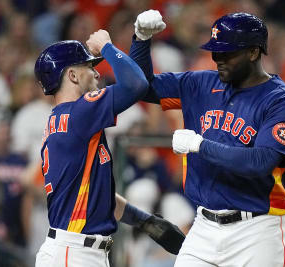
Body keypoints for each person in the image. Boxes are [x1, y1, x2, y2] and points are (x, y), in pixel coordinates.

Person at [130, 10, 285, 267]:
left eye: (227, 53)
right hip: (204, 226)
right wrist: (141, 39)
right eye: (215, 51)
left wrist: (200, 145)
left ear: (254, 52)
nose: (218, 58)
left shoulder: (280, 101)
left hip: (258, 230)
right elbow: (143, 87)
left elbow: (261, 161)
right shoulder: (201, 84)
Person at [34, 30, 185, 267]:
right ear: (72, 75)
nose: (96, 72)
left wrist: (143, 221)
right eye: (89, 66)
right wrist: (106, 46)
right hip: (73, 253)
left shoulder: (67, 119)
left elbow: (96, 196)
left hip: (75, 251)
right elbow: (136, 84)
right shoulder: (80, 112)